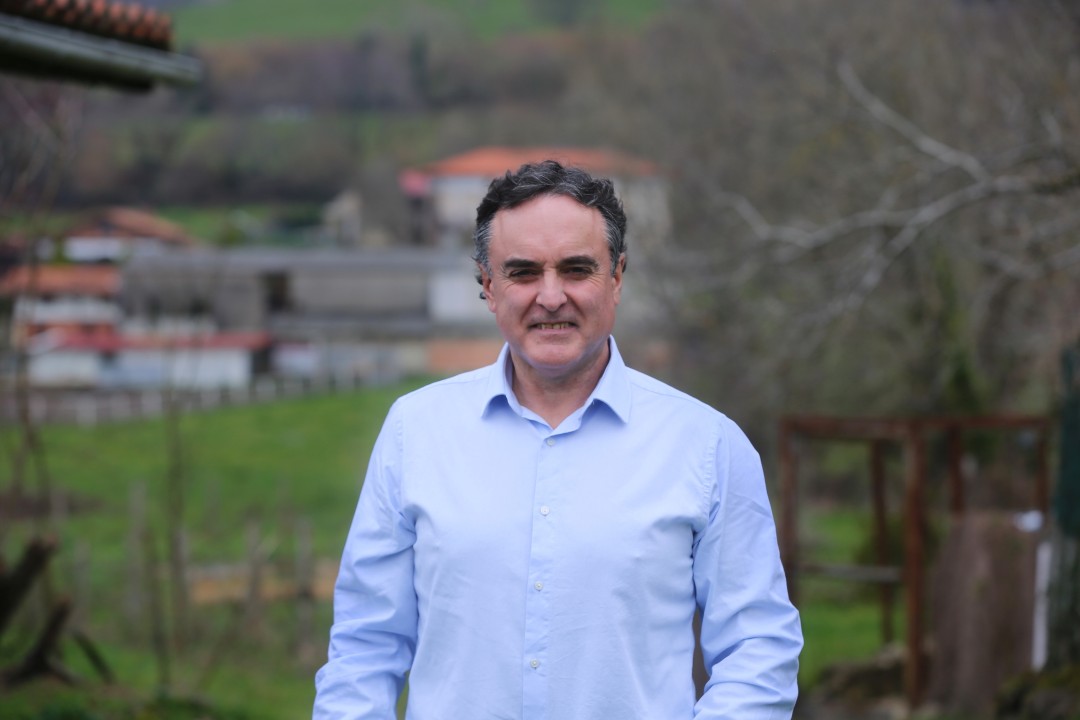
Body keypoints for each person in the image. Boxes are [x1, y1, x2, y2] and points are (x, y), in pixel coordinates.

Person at [313, 160, 802, 719]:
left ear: (616, 277)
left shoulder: (707, 446)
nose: (550, 297)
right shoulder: (415, 431)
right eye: (523, 272)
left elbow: (757, 648)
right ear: (488, 286)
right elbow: (364, 648)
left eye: (576, 269)